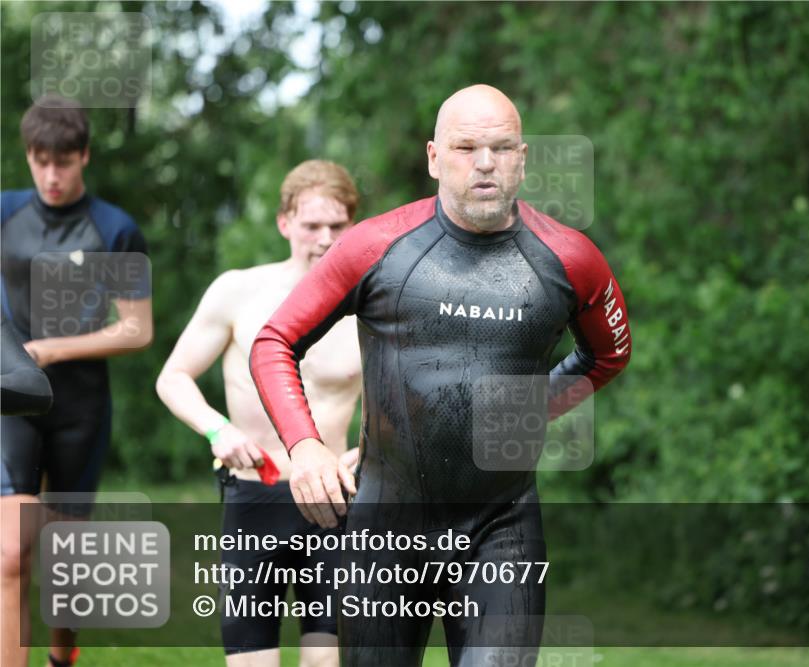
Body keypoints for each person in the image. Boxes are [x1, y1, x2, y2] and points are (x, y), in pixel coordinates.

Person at [249, 85, 631, 666]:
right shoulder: (376, 247)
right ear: (434, 157)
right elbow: (275, 341)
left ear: (523, 158)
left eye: (501, 148)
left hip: (500, 531)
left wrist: (526, 410)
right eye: (465, 147)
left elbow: (607, 356)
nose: (484, 163)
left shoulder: (570, 258)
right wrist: (304, 447)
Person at [156, 160, 363, 666]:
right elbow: (173, 376)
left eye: (337, 226)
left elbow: (408, 396)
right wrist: (216, 429)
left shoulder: (370, 305)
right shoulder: (238, 291)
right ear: (284, 223)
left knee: (326, 662)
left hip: (334, 502)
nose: (324, 238)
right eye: (312, 225)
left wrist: (373, 449)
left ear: (353, 227)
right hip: (253, 495)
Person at [1, 96, 154, 667]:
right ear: (29, 156)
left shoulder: (113, 229)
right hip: (11, 404)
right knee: (11, 555)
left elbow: (137, 330)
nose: (51, 175)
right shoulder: (5, 213)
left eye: (63, 162)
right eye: (40, 161)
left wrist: (48, 349)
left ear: (84, 156)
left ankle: (62, 658)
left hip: (80, 407)